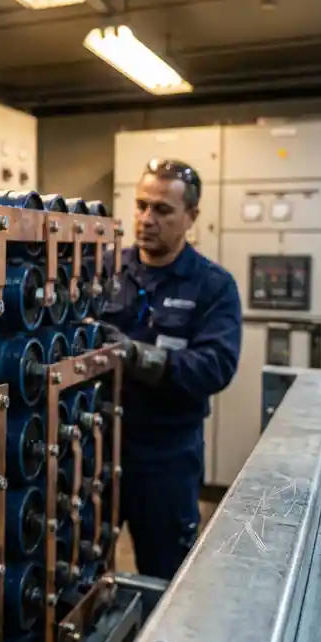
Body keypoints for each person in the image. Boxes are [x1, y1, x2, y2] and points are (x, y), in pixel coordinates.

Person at [100, 158, 242, 581]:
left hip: (165, 459)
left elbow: (215, 367)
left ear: (191, 216)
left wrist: (138, 357)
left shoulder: (213, 286)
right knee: (83, 572)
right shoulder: (106, 270)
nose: (146, 219)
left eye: (162, 210)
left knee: (163, 579)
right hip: (97, 448)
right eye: (142, 205)